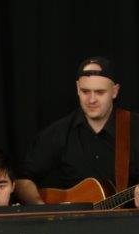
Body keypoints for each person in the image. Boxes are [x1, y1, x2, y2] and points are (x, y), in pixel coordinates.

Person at [17, 56, 138, 207]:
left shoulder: (134, 128)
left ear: (115, 91)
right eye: (85, 91)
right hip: (72, 228)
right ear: (77, 88)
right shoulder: (59, 132)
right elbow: (23, 179)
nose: (91, 100)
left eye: (100, 92)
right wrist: (42, 209)